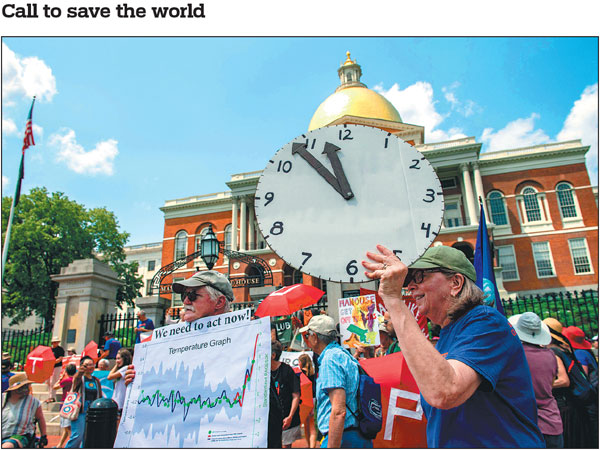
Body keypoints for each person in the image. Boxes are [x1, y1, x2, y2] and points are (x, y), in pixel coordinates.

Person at [363, 244, 544, 447]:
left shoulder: (485, 322)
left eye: (420, 277)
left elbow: (444, 392)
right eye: (409, 281)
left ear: (455, 282)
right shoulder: (447, 337)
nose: (411, 287)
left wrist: (394, 301)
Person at [124, 271, 284, 446]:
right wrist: (140, 381)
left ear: (219, 302)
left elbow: (269, 424)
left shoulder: (244, 348)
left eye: (193, 295)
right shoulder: (170, 349)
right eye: (185, 295)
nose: (185, 302)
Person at [299, 315, 372, 448]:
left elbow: (338, 411)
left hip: (342, 438)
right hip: (356, 435)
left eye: (307, 335)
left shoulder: (330, 359)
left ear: (315, 337)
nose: (307, 339)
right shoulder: (343, 355)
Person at [509, 312, 564, 448]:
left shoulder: (513, 355)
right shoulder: (550, 355)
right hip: (553, 423)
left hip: (525, 424)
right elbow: (550, 384)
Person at [543, 317, 598, 448]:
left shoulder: (553, 351)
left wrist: (541, 386)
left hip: (570, 403)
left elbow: (564, 380)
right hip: (582, 401)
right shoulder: (564, 348)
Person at [64, 356, 103, 448]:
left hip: (92, 410)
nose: (90, 367)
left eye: (92, 364)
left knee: (88, 436)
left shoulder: (96, 380)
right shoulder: (79, 378)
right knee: (78, 435)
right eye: (87, 365)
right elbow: (76, 381)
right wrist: (81, 371)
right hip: (80, 410)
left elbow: (99, 395)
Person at [1, 374, 48, 449]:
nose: (26, 389)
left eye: (27, 386)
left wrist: (43, 436)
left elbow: (40, 418)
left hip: (20, 435)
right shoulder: (2, 398)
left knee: (8, 446)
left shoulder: (33, 402)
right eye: (23, 386)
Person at [270, 341, 301, 448]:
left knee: (285, 446)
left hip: (287, 419)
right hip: (272, 421)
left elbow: (296, 395)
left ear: (273, 355)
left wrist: (290, 416)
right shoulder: (264, 373)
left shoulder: (287, 370)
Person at [54, 364, 76, 448]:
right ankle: (60, 445)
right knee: (66, 427)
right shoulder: (76, 380)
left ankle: (73, 445)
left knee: (67, 427)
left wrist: (61, 378)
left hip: (65, 404)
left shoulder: (66, 381)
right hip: (73, 404)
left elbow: (55, 387)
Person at [298, 353, 317, 448]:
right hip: (313, 399)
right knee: (312, 425)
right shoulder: (313, 373)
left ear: (301, 362)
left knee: (306, 424)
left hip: (305, 398)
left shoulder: (300, 373)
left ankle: (309, 445)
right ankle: (312, 446)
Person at [107, 348, 132, 418]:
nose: (117, 361)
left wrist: (116, 365)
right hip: (117, 400)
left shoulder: (126, 368)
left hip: (121, 401)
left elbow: (109, 377)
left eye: (119, 358)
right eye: (116, 359)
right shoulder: (122, 369)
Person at [46, 336, 65, 402]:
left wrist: (53, 362)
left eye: (56, 342)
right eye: (54, 342)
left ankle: (52, 397)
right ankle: (50, 395)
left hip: (57, 366)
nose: (55, 343)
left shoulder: (60, 349)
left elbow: (60, 358)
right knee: (48, 381)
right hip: (50, 367)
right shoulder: (49, 350)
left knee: (53, 381)